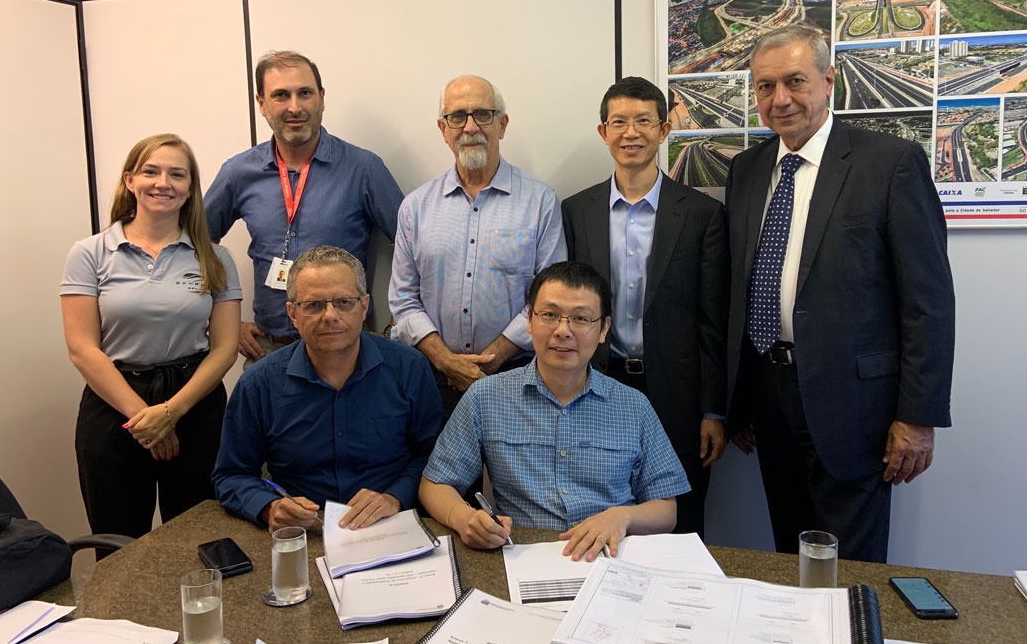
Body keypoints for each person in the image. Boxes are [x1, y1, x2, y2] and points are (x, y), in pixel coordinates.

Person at [725, 24, 955, 563]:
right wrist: (738, 399)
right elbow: (740, 287)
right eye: (765, 87)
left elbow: (927, 301)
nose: (780, 99)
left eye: (795, 81)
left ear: (829, 81)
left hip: (857, 408)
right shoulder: (747, 170)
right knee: (788, 553)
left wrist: (918, 416)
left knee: (851, 566)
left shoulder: (889, 162)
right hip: (769, 397)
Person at [419, 261, 689, 561]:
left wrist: (621, 517)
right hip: (524, 558)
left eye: (581, 318)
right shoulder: (486, 396)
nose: (563, 331)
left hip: (610, 560)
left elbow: (667, 510)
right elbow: (434, 484)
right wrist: (464, 518)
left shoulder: (633, 405)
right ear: (529, 320)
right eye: (549, 315)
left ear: (603, 329)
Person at [562, 77, 728, 537]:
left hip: (678, 395)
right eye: (619, 122)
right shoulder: (576, 211)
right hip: (599, 385)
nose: (630, 133)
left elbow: (714, 322)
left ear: (663, 130)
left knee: (681, 520)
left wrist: (714, 411)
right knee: (601, 510)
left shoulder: (701, 214)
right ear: (603, 132)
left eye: (643, 121)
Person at [61, 134, 242, 540]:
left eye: (177, 174)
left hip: (194, 403)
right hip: (115, 404)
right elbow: (82, 349)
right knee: (119, 545)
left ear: (190, 189)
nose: (163, 183)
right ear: (130, 181)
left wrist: (171, 412)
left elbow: (225, 348)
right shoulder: (90, 253)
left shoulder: (215, 257)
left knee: (200, 539)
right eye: (151, 172)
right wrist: (145, 419)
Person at [213, 246, 445, 532]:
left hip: (391, 527)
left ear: (364, 306)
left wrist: (394, 497)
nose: (330, 315)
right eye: (314, 305)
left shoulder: (409, 369)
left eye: (344, 302)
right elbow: (231, 475)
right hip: (304, 532)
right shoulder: (258, 383)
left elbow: (435, 457)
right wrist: (269, 507)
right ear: (293, 314)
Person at [205, 50, 403, 362]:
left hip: (347, 349)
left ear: (321, 99)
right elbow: (193, 247)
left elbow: (417, 250)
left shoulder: (363, 168)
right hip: (269, 350)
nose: (295, 107)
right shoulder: (238, 172)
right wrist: (224, 322)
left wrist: (397, 327)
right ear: (261, 103)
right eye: (281, 95)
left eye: (305, 93)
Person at [388, 75, 566, 413]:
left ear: (502, 124)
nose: (470, 127)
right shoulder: (415, 207)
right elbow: (403, 298)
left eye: (483, 114)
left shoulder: (540, 201)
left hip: (516, 376)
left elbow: (550, 300)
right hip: (433, 379)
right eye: (457, 116)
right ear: (443, 129)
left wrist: (490, 361)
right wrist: (447, 362)